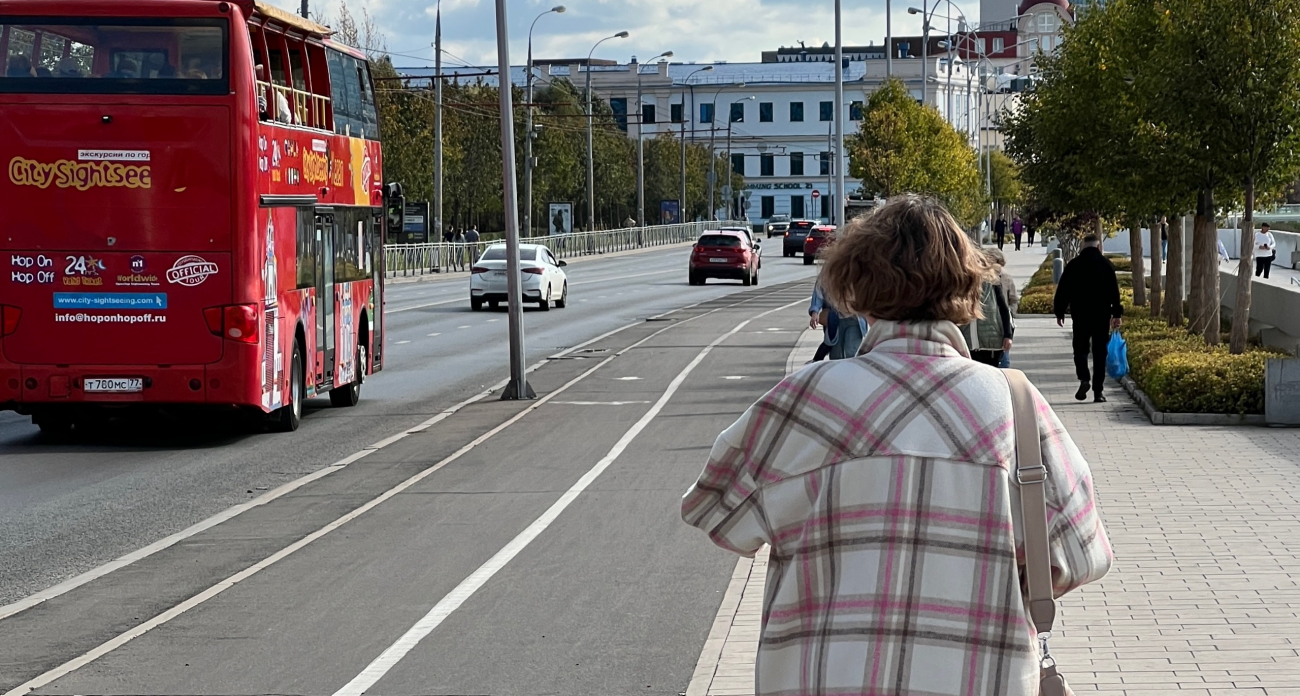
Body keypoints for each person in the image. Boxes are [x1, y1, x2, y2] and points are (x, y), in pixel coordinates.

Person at [683, 194, 1113, 696]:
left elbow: (716, 514)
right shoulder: (1016, 406)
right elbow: (1082, 558)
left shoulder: (802, 401)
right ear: (966, 285)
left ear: (856, 288)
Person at [1053, 234, 1124, 403]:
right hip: (1101, 316)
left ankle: (1084, 378)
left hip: (1081, 315)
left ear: (1083, 246)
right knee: (1100, 353)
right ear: (1099, 247)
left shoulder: (1074, 265)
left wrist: (1060, 311)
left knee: (1080, 349)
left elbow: (1063, 290)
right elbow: (1114, 292)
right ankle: (1098, 392)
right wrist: (1116, 315)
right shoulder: (1107, 265)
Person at [961, 259, 1014, 367]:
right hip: (966, 343)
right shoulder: (959, 286)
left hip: (991, 344)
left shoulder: (992, 285)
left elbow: (1004, 309)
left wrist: (1008, 335)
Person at [988, 249, 1019, 367]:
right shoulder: (981, 277)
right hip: (988, 321)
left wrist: (1010, 313)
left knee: (1004, 354)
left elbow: (1013, 299)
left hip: (1002, 320)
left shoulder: (1005, 277)